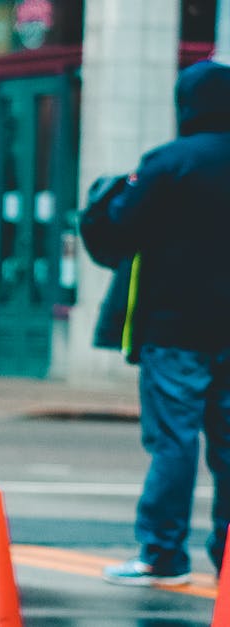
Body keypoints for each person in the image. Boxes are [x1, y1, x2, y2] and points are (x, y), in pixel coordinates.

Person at [81, 60, 230, 586]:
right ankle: (229, 560)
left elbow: (115, 235)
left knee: (174, 442)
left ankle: (163, 555)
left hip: (176, 330)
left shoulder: (169, 163)